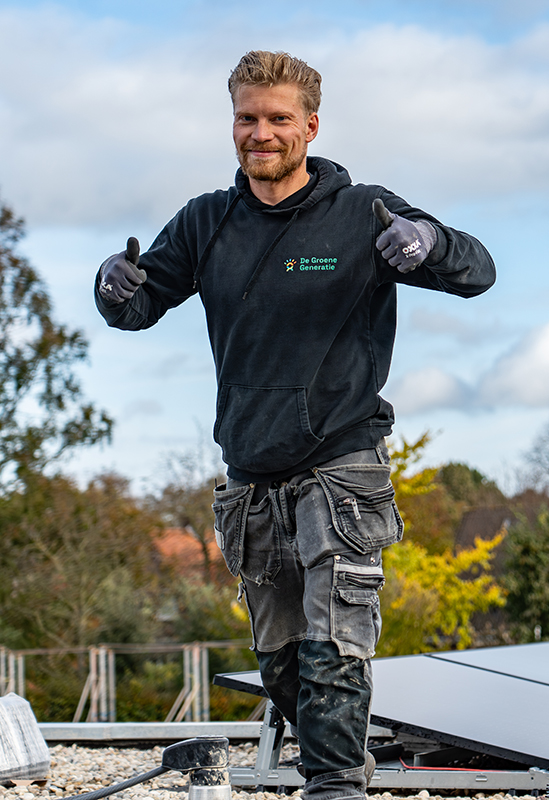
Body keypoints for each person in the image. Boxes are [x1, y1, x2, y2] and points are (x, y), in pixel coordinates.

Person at [94, 50, 495, 800]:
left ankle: (335, 786)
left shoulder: (363, 211)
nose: (262, 133)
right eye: (247, 118)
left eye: (279, 118)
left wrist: (427, 243)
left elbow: (478, 269)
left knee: (335, 644)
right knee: (282, 661)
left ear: (310, 126)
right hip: (251, 472)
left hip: (341, 466)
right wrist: (110, 285)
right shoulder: (207, 221)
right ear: (232, 123)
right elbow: (138, 304)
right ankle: (335, 767)